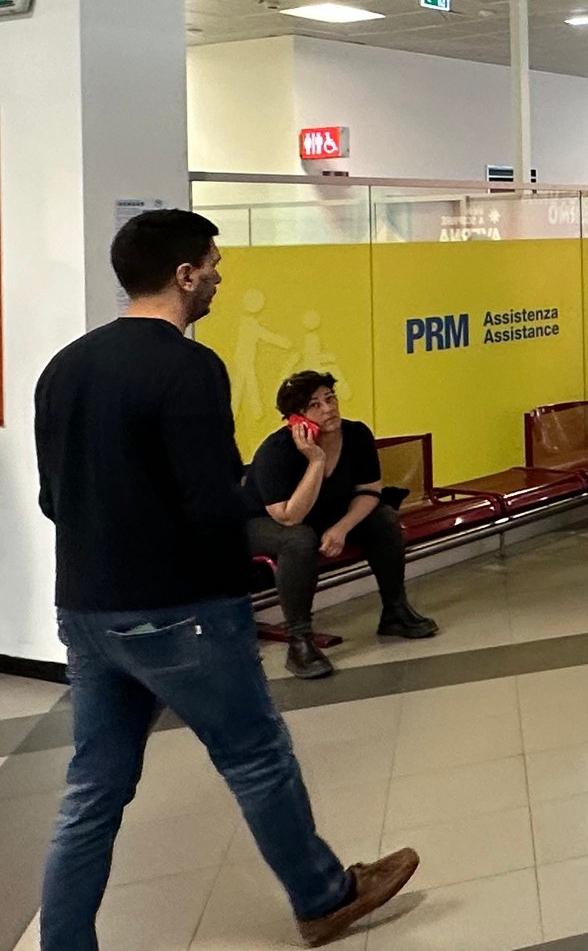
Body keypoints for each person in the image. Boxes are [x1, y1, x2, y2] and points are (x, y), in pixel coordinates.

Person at [34, 208, 419, 949]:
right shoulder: (189, 367)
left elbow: (54, 499)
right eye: (212, 264)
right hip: (183, 609)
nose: (218, 276)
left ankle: (66, 942)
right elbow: (211, 503)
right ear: (184, 276)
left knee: (93, 789)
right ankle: (322, 897)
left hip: (85, 609)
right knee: (256, 757)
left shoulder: (64, 367)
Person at [247, 371, 437, 681]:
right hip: (261, 524)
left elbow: (370, 491)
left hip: (323, 516)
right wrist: (316, 460)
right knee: (299, 539)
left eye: (330, 399)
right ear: (296, 419)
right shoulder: (276, 451)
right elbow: (290, 516)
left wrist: (342, 528)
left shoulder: (356, 434)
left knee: (384, 518)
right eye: (315, 405)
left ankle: (395, 610)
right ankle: (299, 640)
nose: (328, 409)